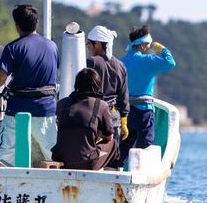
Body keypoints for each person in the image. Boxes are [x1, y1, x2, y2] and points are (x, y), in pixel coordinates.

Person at [0, 5, 59, 166]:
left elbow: (1, 77)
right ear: (37, 22)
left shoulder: (13, 48)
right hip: (45, 110)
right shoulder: (52, 47)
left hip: (17, 110)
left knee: (4, 152)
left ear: (17, 25)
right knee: (53, 153)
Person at [118, 25, 176, 167]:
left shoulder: (121, 62)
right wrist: (161, 49)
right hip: (144, 111)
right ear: (143, 45)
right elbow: (170, 63)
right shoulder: (149, 60)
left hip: (125, 112)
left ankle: (116, 169)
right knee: (145, 147)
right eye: (148, 44)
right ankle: (141, 173)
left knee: (124, 146)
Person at [51, 68, 119, 170]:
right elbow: (109, 137)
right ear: (97, 84)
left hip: (61, 160)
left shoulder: (62, 103)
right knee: (113, 144)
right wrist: (98, 133)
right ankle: (110, 174)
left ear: (77, 84)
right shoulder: (101, 105)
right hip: (88, 163)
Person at [85, 25, 129, 147]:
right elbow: (123, 94)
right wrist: (124, 119)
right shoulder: (120, 65)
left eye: (88, 43)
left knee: (94, 154)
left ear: (97, 44)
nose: (88, 47)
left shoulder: (91, 62)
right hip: (114, 118)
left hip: (95, 116)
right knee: (112, 154)